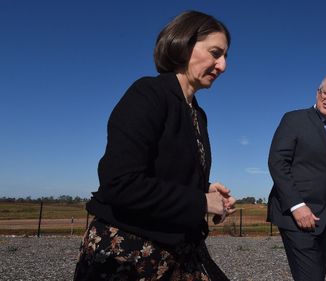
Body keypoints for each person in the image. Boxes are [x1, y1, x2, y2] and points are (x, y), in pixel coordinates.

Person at [74, 11, 236, 281]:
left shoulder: (197, 113)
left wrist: (206, 191)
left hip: (180, 251)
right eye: (215, 53)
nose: (222, 66)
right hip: (130, 255)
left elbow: (163, 173)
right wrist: (200, 202)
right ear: (183, 45)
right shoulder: (148, 94)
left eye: (225, 57)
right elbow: (120, 183)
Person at [267, 74, 326, 281]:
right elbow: (277, 162)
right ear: (318, 93)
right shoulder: (294, 119)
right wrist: (297, 206)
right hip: (296, 217)